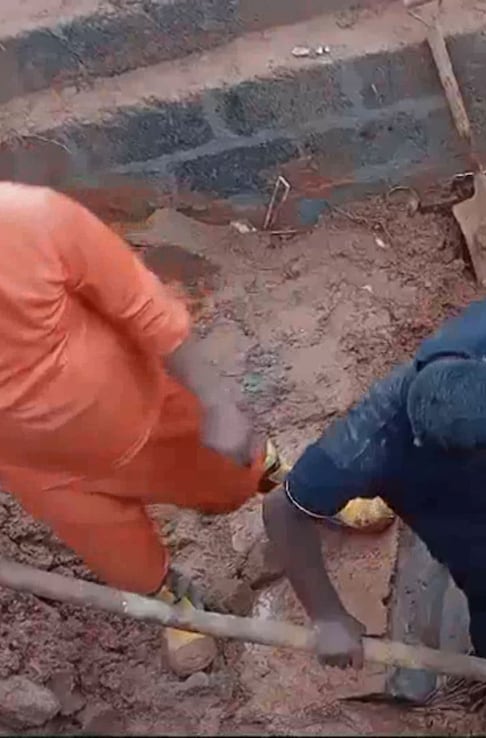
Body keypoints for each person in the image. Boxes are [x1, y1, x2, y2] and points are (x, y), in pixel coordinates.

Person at [262, 295, 486, 736]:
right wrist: (328, 615)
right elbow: (283, 510)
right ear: (426, 446)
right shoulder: (371, 443)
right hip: (476, 534)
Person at [0, 183, 297, 675]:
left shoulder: (29, 221)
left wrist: (217, 402)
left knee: (233, 472)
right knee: (122, 559)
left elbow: (143, 305)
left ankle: (303, 488)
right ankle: (175, 603)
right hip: (42, 472)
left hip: (145, 415)